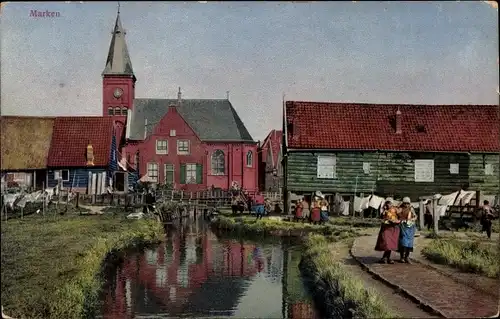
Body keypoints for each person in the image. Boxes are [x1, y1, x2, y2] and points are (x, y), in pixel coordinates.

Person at [374, 199, 401, 264]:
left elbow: (400, 217)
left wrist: (397, 221)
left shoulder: (396, 210)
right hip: (386, 228)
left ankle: (386, 258)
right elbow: (381, 219)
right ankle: (385, 258)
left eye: (390, 203)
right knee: (386, 243)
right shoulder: (384, 211)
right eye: (387, 203)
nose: (389, 205)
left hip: (393, 229)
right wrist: (385, 219)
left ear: (392, 203)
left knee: (390, 244)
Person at [398, 197, 417, 263]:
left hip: (410, 227)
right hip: (403, 227)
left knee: (410, 243)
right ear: (403, 203)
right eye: (405, 203)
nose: (406, 205)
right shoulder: (400, 209)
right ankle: (402, 257)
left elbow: (415, 216)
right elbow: (397, 216)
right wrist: (402, 220)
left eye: (408, 203)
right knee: (403, 242)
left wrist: (413, 219)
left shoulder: (411, 209)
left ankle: (407, 257)